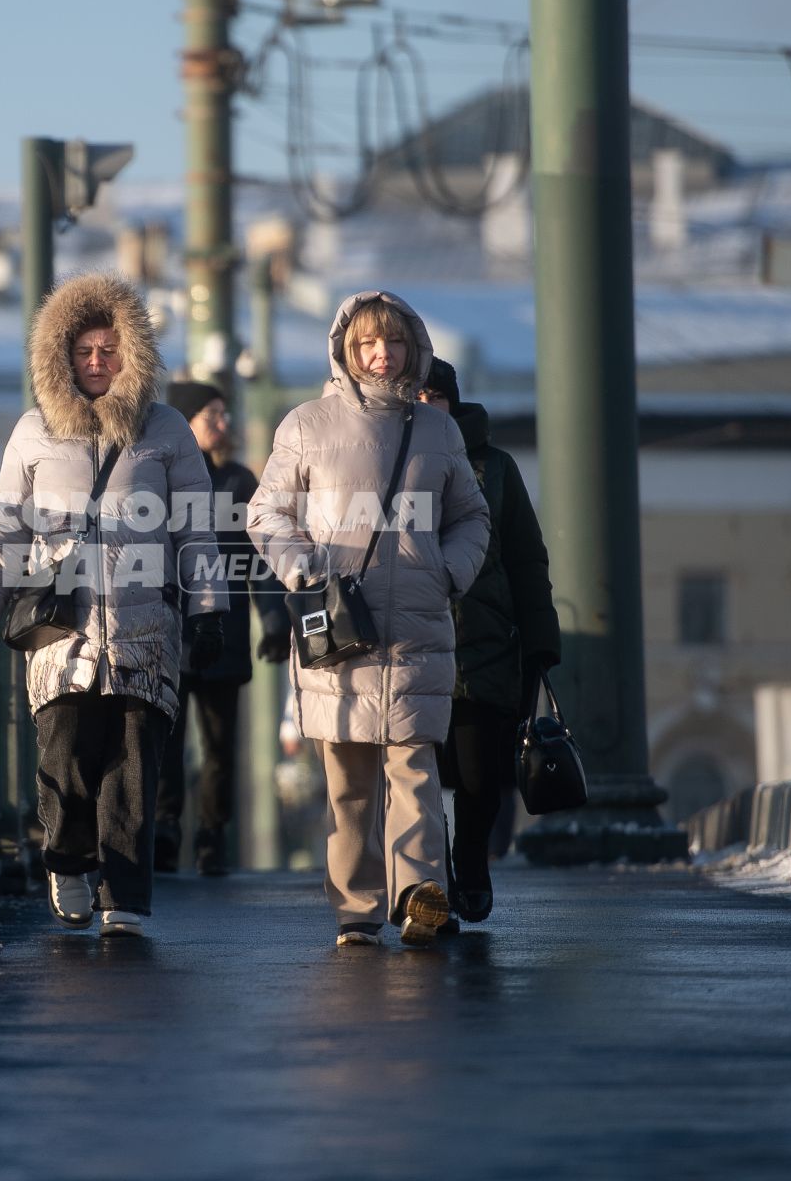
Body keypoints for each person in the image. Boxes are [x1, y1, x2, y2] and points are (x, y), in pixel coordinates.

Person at [0, 272, 226, 940]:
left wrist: (207, 607)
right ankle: (68, 861)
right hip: (63, 628)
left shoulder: (166, 429)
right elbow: (8, 529)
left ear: (131, 354)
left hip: (145, 627)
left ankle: (126, 898)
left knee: (135, 764)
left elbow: (195, 526)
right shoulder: (32, 432)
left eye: (109, 351)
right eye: (83, 351)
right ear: (61, 356)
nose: (96, 363)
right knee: (66, 755)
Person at [247, 290, 489, 948]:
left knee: (415, 771)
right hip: (339, 631)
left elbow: (473, 515)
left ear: (414, 349)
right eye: (367, 345)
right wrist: (301, 569)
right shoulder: (307, 426)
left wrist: (449, 570)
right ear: (347, 353)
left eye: (394, 343)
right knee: (348, 782)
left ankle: (419, 899)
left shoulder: (439, 431)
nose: (382, 355)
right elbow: (267, 513)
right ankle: (356, 905)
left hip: (417, 629)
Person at [417, 358, 559, 922]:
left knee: (479, 776)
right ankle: (435, 879)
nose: (426, 406)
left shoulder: (496, 469)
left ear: (452, 402)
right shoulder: (388, 461)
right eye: (416, 395)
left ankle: (469, 862)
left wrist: (541, 640)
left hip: (486, 642)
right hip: (416, 642)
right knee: (418, 772)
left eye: (435, 396)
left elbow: (526, 556)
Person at [153, 381, 291, 877]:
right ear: (185, 422)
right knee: (166, 744)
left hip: (225, 635)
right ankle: (165, 831)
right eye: (211, 414)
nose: (222, 423)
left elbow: (261, 561)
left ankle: (212, 837)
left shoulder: (239, 482)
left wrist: (274, 621)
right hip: (170, 633)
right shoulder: (163, 480)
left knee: (219, 747)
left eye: (223, 414)